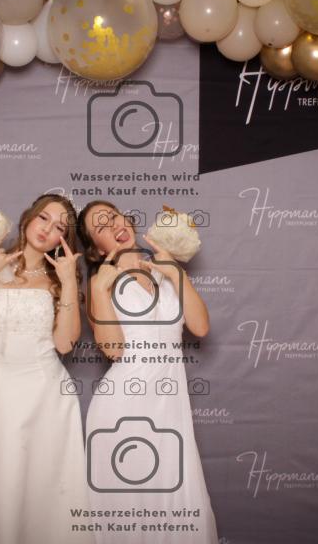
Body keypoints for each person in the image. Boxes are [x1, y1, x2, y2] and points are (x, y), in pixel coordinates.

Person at [0, 193, 93, 544]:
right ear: (28, 218)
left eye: (59, 227)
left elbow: (64, 344)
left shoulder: (58, 279)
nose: (47, 228)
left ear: (63, 240)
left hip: (46, 398)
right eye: (44, 217)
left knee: (45, 496)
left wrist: (69, 281)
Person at [76, 200, 218, 543]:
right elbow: (113, 349)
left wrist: (176, 274)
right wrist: (99, 289)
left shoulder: (164, 270)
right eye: (101, 226)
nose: (114, 225)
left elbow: (200, 327)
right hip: (123, 410)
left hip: (170, 409)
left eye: (114, 216)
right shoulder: (100, 284)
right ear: (97, 249)